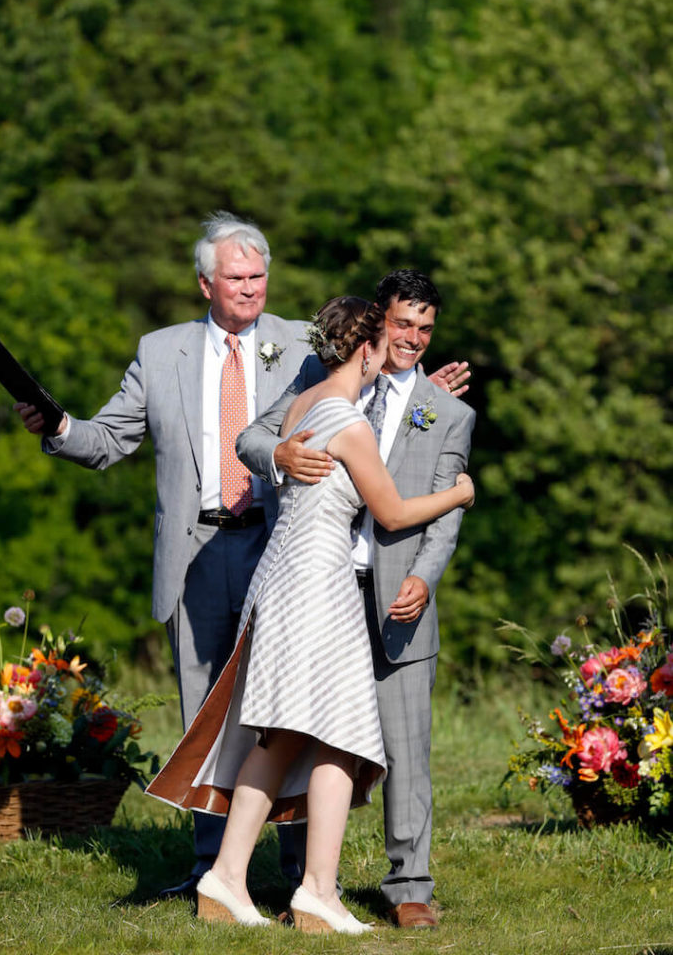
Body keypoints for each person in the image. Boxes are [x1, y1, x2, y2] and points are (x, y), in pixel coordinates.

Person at [146, 296, 474, 933]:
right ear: (364, 350)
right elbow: (394, 513)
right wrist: (460, 491)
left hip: (283, 571)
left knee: (284, 731)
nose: (397, 349)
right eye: (386, 340)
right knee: (342, 733)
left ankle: (229, 877)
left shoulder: (307, 402)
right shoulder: (346, 421)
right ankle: (316, 892)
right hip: (320, 585)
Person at [13, 210, 314, 898]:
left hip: (285, 548)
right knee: (205, 712)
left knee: (293, 707)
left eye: (258, 275)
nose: (250, 288)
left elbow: (357, 398)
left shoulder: (303, 343)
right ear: (204, 283)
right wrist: (57, 425)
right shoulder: (161, 351)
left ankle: (303, 873)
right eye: (235, 277)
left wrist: (421, 397)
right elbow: (108, 440)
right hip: (196, 550)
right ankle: (211, 869)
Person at [237, 269, 476, 929]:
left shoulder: (434, 406)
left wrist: (424, 577)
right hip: (318, 586)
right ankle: (305, 881)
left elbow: (440, 504)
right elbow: (252, 436)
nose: (414, 339)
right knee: (303, 730)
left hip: (395, 595)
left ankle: (409, 887)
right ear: (378, 322)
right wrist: (282, 453)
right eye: (402, 324)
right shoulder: (330, 376)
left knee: (402, 746)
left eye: (426, 329)